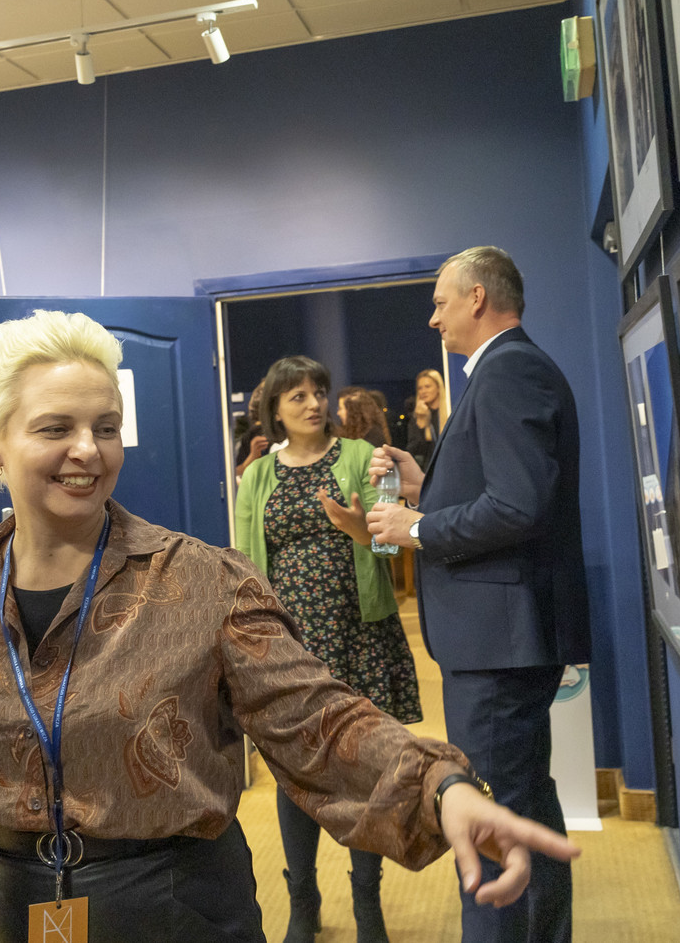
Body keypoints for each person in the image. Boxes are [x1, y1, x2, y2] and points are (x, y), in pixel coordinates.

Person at [0, 310, 579, 943]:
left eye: (106, 428)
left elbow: (316, 720)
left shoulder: (203, 583)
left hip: (171, 907)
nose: (89, 450)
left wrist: (441, 790)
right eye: (55, 429)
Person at [366, 247, 590, 943]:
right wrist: (423, 485)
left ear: (477, 298)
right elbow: (503, 492)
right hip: (499, 640)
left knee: (491, 823)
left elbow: (518, 507)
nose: (433, 317)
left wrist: (416, 527)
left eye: (440, 302)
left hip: (499, 643)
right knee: (523, 809)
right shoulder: (505, 370)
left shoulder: (509, 370)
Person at [236, 357, 422, 943]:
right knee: (296, 772)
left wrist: (360, 530)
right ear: (275, 409)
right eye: (298, 396)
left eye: (319, 391)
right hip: (291, 648)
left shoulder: (364, 458)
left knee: (364, 771)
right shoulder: (256, 476)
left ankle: (368, 901)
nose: (314, 403)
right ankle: (303, 901)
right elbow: (247, 569)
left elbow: (391, 549)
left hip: (359, 636)